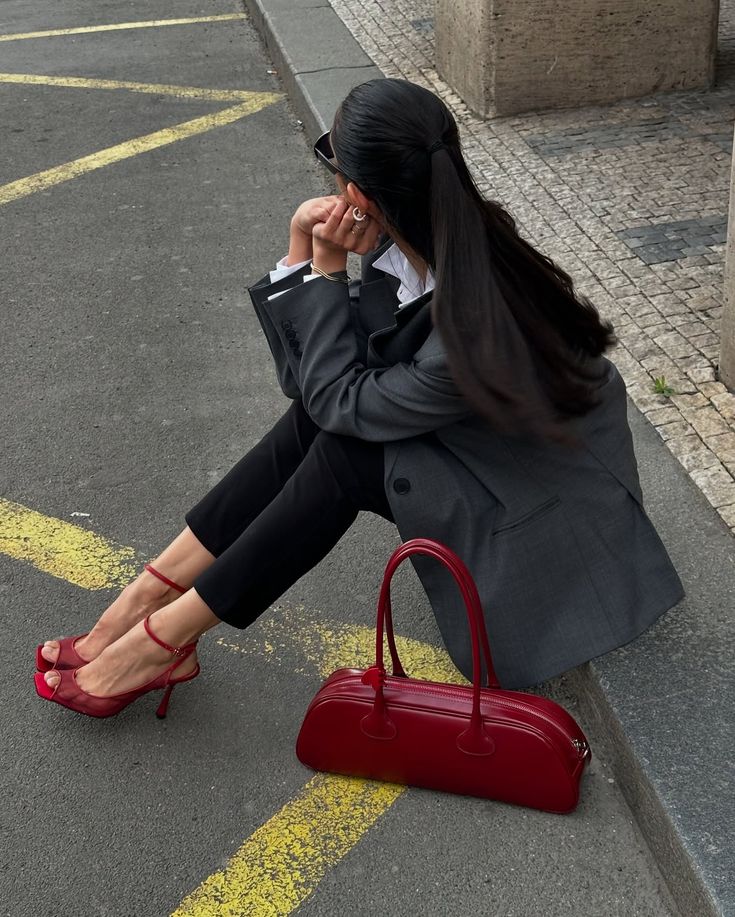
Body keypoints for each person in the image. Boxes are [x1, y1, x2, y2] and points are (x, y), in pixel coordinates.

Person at [34, 78, 684, 717]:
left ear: (357, 194)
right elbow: (314, 391)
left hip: (542, 511)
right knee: (316, 427)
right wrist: (301, 252)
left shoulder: (465, 323)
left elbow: (338, 402)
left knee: (345, 451)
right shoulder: (423, 247)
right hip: (498, 455)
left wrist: (324, 273)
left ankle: (162, 640)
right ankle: (144, 602)